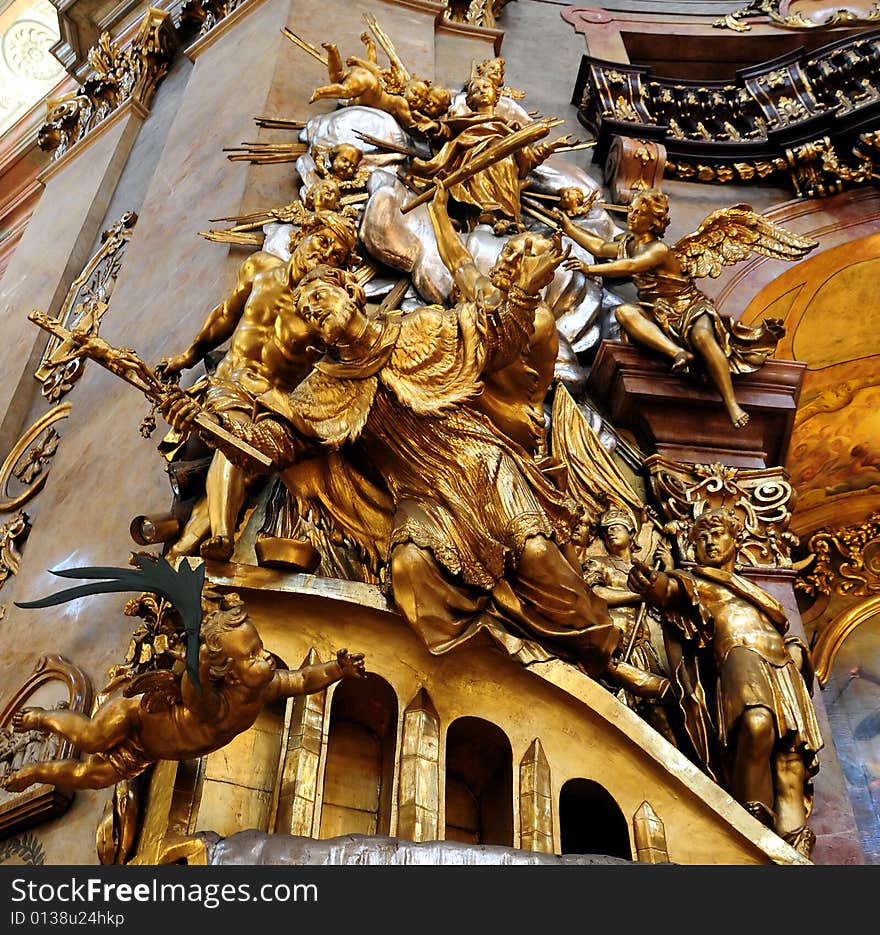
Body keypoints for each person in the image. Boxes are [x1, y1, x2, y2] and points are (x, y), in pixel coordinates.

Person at [160, 260, 658, 696]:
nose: (315, 313)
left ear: (350, 291)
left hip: (480, 462)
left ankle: (606, 658)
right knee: (409, 570)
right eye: (308, 314)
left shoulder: (419, 328)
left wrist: (526, 289)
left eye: (320, 298)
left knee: (538, 557)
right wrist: (210, 423)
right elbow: (271, 448)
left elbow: (499, 336)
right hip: (418, 493)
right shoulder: (320, 391)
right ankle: (497, 652)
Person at [2, 591, 365, 791]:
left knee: (91, 778)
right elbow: (194, 692)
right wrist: (201, 660)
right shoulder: (214, 703)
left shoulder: (266, 688)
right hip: (135, 717)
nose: (267, 657)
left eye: (260, 648)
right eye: (252, 656)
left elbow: (302, 680)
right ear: (229, 673)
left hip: (148, 750)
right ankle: (43, 718)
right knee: (91, 739)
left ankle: (37, 774)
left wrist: (337, 669)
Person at [157, 211, 358, 561]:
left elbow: (339, 370)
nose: (325, 254)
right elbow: (225, 315)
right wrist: (188, 356)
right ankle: (221, 535)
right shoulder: (260, 267)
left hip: (275, 407)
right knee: (235, 441)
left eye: (336, 255)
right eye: (323, 241)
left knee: (243, 475)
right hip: (231, 385)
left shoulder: (323, 312)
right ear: (302, 234)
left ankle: (182, 553)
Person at [627, 507, 823, 856]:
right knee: (756, 723)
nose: (709, 542)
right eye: (701, 538)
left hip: (781, 663)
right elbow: (669, 590)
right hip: (738, 654)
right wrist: (649, 581)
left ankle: (791, 846)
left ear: (737, 540)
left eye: (717, 535)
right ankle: (752, 824)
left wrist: (795, 652)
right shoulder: (697, 581)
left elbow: (782, 627)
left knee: (792, 757)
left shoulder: (757, 592)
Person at [558, 189, 792, 428]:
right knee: (624, 312)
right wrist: (569, 227)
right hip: (659, 312)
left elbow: (630, 266)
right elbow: (598, 246)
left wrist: (590, 270)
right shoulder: (626, 244)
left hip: (688, 307)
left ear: (654, 221)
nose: (633, 216)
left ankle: (731, 404)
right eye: (632, 210)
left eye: (640, 212)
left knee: (702, 337)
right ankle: (677, 353)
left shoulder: (658, 250)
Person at [409, 75, 571, 233]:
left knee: (504, 165)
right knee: (478, 172)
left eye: (486, 87)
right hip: (473, 164)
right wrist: (435, 127)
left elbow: (528, 160)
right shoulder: (465, 122)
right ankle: (480, 216)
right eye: (476, 90)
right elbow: (448, 134)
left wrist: (551, 147)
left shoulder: (509, 128)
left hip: (505, 171)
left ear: (497, 95)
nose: (483, 91)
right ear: (470, 101)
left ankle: (506, 219)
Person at [581, 507, 675, 739]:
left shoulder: (643, 570)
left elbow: (666, 603)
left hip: (641, 644)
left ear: (631, 533)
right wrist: (640, 594)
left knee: (659, 712)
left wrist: (669, 570)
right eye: (606, 531)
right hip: (613, 643)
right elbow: (594, 594)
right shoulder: (598, 563)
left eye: (616, 528)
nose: (610, 533)